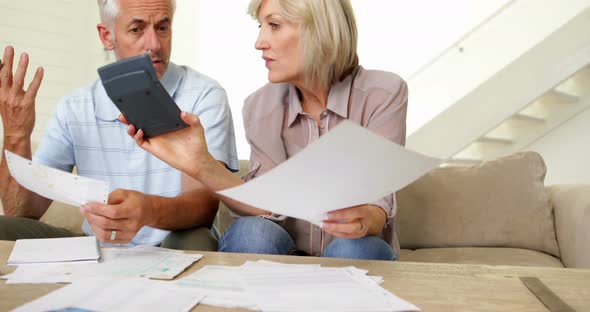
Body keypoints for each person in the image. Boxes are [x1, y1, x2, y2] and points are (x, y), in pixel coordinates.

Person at [123, 0, 407, 260]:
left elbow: (378, 204)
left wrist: (364, 217)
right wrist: (199, 164)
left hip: (353, 251)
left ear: (319, 30)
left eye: (274, 25)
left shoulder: (383, 93)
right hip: (287, 256)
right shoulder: (260, 106)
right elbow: (268, 205)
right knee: (251, 233)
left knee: (355, 248)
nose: (260, 42)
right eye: (261, 27)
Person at [0, 0, 239, 250]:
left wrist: (147, 210)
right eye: (137, 29)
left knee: (196, 240)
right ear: (107, 36)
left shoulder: (204, 94)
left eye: (162, 28)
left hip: (173, 244)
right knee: (4, 228)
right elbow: (22, 211)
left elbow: (203, 207)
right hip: (97, 247)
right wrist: (16, 133)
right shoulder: (75, 106)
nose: (155, 44)